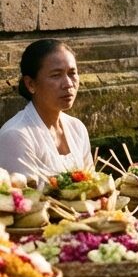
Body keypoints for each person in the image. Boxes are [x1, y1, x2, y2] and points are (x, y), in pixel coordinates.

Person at [0, 39, 91, 181]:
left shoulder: (77, 128)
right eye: (56, 75)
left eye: (72, 73)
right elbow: (24, 200)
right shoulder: (15, 136)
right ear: (30, 84)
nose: (68, 84)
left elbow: (94, 187)